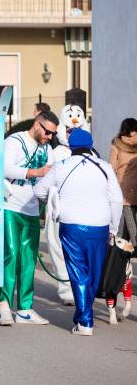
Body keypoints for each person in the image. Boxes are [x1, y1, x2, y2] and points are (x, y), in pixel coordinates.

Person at [34, 129, 122, 335]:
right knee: (94, 272)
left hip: (71, 224)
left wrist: (54, 199)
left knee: (78, 271)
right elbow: (116, 199)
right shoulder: (105, 167)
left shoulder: (61, 166)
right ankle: (84, 315)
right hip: (100, 225)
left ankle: (84, 321)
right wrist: (113, 227)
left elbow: (39, 191)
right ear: (91, 145)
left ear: (70, 146)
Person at [0, 110, 58, 326]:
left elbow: (53, 173)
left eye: (53, 134)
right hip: (10, 205)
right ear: (37, 125)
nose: (50, 137)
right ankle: (4, 305)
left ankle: (25, 308)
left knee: (29, 259)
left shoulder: (47, 148)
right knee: (11, 254)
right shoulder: (14, 141)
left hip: (33, 208)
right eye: (48, 132)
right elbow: (3, 167)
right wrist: (36, 172)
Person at [107, 117, 137, 320]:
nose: (134, 136)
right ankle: (119, 270)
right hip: (123, 192)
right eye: (132, 133)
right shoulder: (116, 145)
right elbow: (111, 167)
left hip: (135, 191)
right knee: (126, 233)